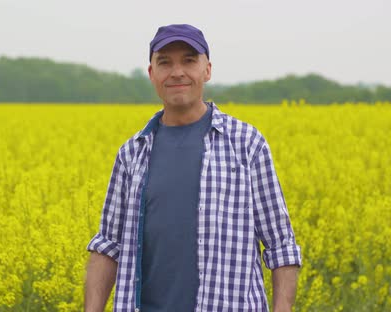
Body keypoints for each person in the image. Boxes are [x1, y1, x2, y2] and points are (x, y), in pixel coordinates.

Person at [85, 24, 302, 312]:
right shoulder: (131, 153)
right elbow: (107, 247)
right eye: (165, 62)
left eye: (189, 60)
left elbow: (281, 245)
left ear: (207, 70)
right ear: (152, 74)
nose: (177, 72)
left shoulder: (247, 144)